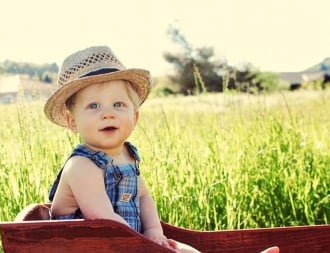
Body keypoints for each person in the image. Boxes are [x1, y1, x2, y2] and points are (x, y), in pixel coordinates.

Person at [44, 46, 279, 253]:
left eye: (118, 104)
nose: (108, 113)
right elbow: (105, 221)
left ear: (134, 117)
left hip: (125, 244)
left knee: (182, 249)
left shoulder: (127, 156)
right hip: (90, 247)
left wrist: (154, 231)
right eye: (93, 106)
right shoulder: (82, 166)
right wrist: (147, 246)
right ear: (72, 122)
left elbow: (143, 196)